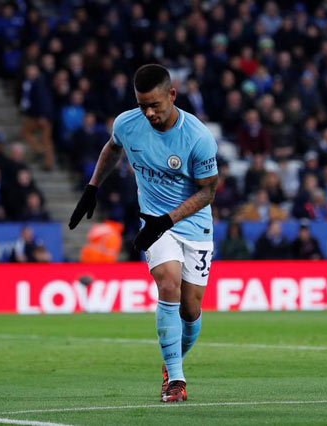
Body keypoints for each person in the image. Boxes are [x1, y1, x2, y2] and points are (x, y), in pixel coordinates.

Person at [68, 64, 218, 403]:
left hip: (194, 224)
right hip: (153, 222)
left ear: (172, 96)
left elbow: (208, 192)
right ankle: (176, 380)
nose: (149, 113)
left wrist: (169, 219)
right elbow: (112, 147)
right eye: (142, 105)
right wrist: (93, 187)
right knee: (168, 282)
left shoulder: (197, 137)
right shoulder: (127, 123)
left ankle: (171, 363)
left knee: (191, 311)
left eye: (155, 105)